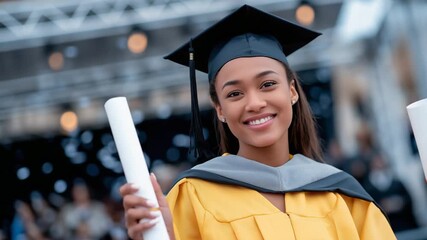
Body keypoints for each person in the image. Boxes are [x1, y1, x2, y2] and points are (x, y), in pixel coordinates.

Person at [119, 4, 396, 239]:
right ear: (220, 109)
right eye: (235, 93)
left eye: (267, 84)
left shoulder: (344, 196)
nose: (254, 103)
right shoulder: (192, 197)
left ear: (291, 91)